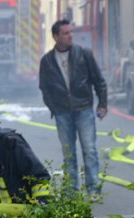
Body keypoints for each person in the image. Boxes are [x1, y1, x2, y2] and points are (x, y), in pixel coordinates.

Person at [38, 19, 108, 196]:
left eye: (71, 32)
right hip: (62, 113)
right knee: (69, 154)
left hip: (84, 109)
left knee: (90, 150)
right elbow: (44, 88)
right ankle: (72, 191)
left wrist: (102, 104)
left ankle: (94, 189)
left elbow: (99, 81)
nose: (70, 36)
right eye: (66, 33)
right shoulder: (47, 61)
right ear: (55, 36)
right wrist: (54, 108)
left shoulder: (83, 54)